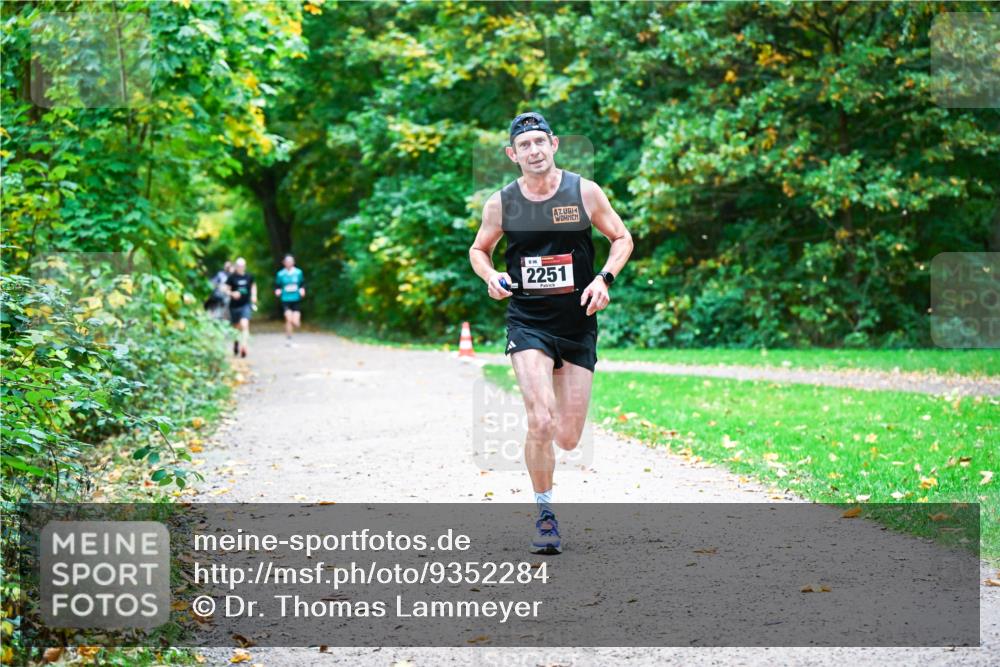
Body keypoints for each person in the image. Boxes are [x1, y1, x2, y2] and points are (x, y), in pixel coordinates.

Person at [468, 112, 633, 554]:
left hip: (577, 322)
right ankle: (544, 514)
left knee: (568, 437)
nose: (534, 150)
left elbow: (622, 238)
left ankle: (555, 449)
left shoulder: (583, 191)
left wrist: (604, 279)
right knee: (540, 420)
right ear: (512, 154)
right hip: (528, 320)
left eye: (540, 141)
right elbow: (479, 249)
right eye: (524, 145)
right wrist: (490, 275)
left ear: (554, 144)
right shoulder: (501, 203)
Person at [226, 257, 257, 358]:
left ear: (245, 266)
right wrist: (232, 293)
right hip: (234, 306)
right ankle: (236, 343)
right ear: (236, 266)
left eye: (242, 266)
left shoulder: (249, 276)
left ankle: (244, 346)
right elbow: (225, 289)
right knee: (236, 328)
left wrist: (254, 295)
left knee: (244, 324)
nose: (240, 268)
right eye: (239, 266)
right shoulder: (232, 277)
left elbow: (253, 286)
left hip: (246, 304)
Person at [274, 254, 305, 345]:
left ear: (293, 262)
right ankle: (289, 338)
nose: (289, 263)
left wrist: (302, 290)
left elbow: (302, 284)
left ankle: (294, 328)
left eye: (290, 261)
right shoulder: (280, 274)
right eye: (287, 261)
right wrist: (278, 291)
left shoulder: (298, 272)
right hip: (286, 299)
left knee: (295, 322)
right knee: (288, 319)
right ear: (284, 263)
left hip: (296, 299)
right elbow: (277, 286)